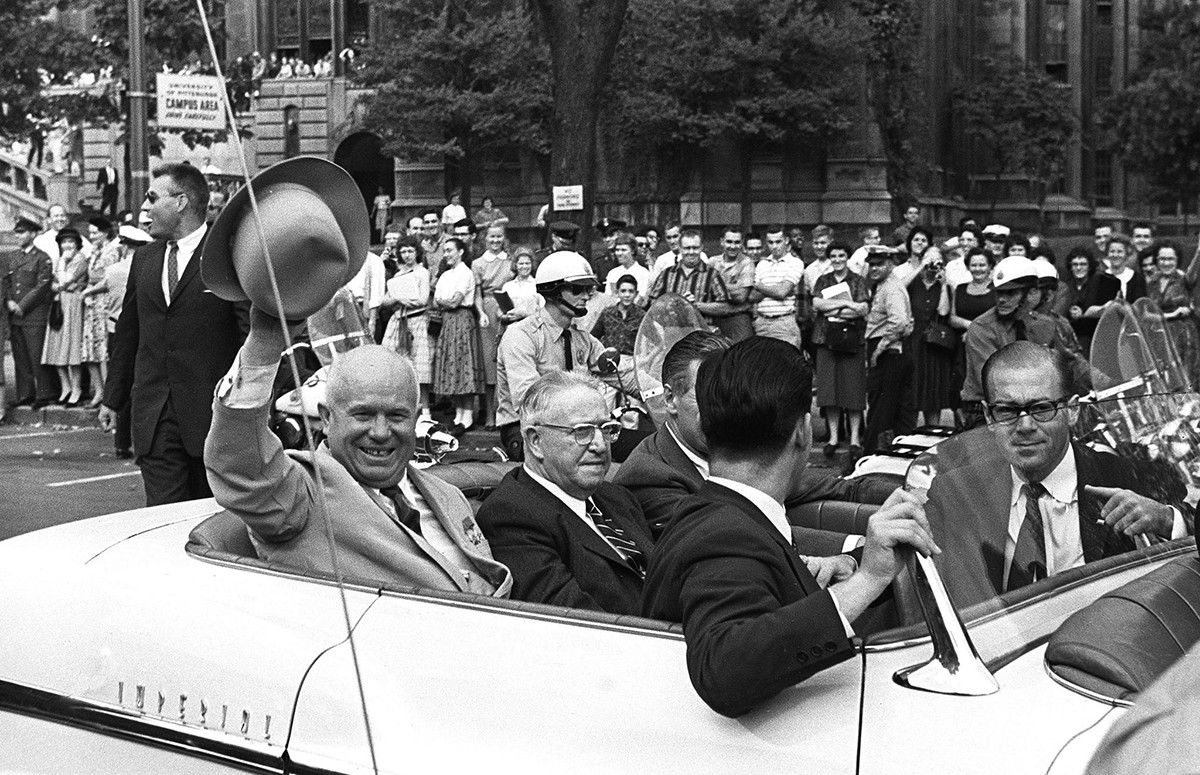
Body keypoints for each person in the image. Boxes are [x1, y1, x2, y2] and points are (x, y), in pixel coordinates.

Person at [641, 336, 940, 718]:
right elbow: (723, 670)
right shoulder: (725, 534)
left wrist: (854, 565)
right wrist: (865, 582)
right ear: (802, 431)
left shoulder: (725, 512)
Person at [206, 310, 512, 596]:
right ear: (326, 418)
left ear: (416, 417)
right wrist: (264, 343)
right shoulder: (303, 495)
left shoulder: (447, 495)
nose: (380, 432)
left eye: (396, 416)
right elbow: (240, 465)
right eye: (363, 415)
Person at [925, 342, 1189, 610]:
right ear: (988, 417)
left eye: (1041, 408)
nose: (1025, 426)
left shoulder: (1125, 476)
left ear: (1072, 410)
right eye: (1007, 411)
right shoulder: (956, 490)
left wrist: (1166, 519)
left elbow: (1191, 518)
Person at [614, 331, 893, 541]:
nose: (722, 407)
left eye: (726, 394)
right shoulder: (649, 476)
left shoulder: (735, 446)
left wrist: (909, 493)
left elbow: (834, 486)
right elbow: (733, 543)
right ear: (670, 399)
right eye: (706, 395)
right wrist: (855, 551)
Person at [99, 163, 248, 506]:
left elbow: (248, 336)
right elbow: (128, 334)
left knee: (211, 523)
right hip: (155, 418)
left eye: (153, 198)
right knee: (161, 523)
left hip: (214, 421)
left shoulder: (226, 254)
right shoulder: (146, 259)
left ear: (181, 202)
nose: (145, 208)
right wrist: (113, 398)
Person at [476, 372, 652, 614]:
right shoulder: (511, 516)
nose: (600, 445)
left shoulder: (618, 498)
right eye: (582, 431)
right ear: (535, 440)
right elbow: (574, 621)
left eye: (606, 429)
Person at [495, 250, 631, 462]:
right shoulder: (521, 336)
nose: (586, 296)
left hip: (576, 426)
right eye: (578, 290)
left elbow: (620, 373)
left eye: (588, 289)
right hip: (529, 430)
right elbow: (529, 399)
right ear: (553, 291)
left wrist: (666, 389)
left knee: (642, 446)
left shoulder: (581, 338)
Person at [960, 256, 1088, 426]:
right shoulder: (982, 328)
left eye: (1011, 293)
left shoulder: (1045, 324)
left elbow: (1071, 362)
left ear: (1030, 293)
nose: (1002, 299)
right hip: (988, 412)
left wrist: (1108, 382)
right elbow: (993, 380)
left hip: (1032, 407)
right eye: (999, 292)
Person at [811, 241, 869, 458]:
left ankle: (854, 438)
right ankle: (834, 437)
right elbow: (818, 305)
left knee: (853, 389)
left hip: (852, 340)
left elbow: (862, 309)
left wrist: (838, 308)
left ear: (847, 257)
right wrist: (847, 305)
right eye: (833, 256)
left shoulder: (858, 280)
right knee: (830, 391)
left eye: (841, 256)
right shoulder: (822, 280)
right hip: (826, 340)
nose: (837, 260)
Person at [862, 248, 915, 453]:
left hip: (888, 353)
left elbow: (899, 322)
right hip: (894, 352)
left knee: (880, 413)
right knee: (899, 412)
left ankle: (869, 460)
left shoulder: (891, 287)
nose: (874, 269)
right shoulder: (885, 285)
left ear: (890, 264)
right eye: (872, 264)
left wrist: (880, 348)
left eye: (880, 264)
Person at [431, 237, 484, 432]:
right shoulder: (445, 275)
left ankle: (468, 415)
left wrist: (445, 301)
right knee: (452, 363)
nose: (446, 255)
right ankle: (459, 413)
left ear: (460, 252)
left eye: (450, 250)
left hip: (462, 320)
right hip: (448, 322)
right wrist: (445, 301)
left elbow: (454, 302)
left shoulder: (465, 273)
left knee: (463, 363)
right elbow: (436, 301)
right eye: (444, 251)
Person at [3, 218, 54, 409]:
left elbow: (42, 286)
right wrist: (8, 300)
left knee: (36, 353)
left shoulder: (42, 258)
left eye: (22, 232)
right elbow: (7, 281)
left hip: (33, 314)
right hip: (15, 315)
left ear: (33, 234)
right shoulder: (13, 257)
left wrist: (22, 305)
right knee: (20, 356)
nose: (18, 236)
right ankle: (25, 394)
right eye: (17, 233)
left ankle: (44, 393)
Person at [380, 235, 433, 417]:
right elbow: (385, 300)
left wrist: (404, 299)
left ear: (417, 252)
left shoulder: (422, 273)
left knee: (420, 367)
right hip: (398, 321)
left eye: (410, 251)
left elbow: (423, 299)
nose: (407, 255)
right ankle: (400, 408)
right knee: (395, 365)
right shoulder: (398, 275)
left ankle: (425, 411)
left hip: (416, 321)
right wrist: (397, 298)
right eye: (403, 251)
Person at [41, 227, 88, 405]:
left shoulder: (79, 260)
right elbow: (54, 284)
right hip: (59, 304)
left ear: (77, 244)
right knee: (56, 346)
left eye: (71, 242)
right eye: (64, 242)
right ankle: (65, 387)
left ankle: (77, 388)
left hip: (73, 305)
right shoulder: (63, 260)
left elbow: (63, 281)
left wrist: (61, 268)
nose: (67, 245)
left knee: (71, 348)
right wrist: (60, 281)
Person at [907, 246, 953, 425]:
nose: (932, 264)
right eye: (929, 259)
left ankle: (932, 431)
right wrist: (920, 266)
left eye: (937, 261)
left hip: (934, 343)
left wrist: (943, 286)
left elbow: (943, 312)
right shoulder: (913, 282)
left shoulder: (945, 286)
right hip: (913, 339)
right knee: (912, 386)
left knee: (932, 390)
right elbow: (899, 287)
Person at [473, 225, 514, 427]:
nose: (495, 240)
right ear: (485, 238)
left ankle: (507, 413)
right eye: (492, 237)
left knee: (510, 359)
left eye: (499, 236)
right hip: (488, 310)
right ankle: (489, 413)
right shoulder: (478, 263)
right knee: (490, 363)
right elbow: (477, 294)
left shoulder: (510, 260)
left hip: (509, 307)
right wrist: (481, 313)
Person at [647, 230, 733, 326]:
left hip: (703, 333)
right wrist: (674, 304)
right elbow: (653, 304)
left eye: (695, 248)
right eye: (687, 248)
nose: (691, 252)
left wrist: (696, 305)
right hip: (672, 332)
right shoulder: (667, 273)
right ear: (680, 248)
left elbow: (725, 308)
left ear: (701, 248)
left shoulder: (712, 274)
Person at [80, 217, 121, 407]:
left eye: (95, 232)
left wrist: (90, 288)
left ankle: (108, 394)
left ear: (105, 232)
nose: (92, 236)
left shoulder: (112, 251)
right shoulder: (93, 251)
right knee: (91, 349)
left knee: (104, 349)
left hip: (104, 303)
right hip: (92, 304)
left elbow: (106, 278)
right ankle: (98, 391)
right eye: (90, 232)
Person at [1147, 241, 1200, 387]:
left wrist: (1198, 252)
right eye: (1162, 259)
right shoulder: (1152, 281)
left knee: (1186, 381)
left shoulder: (1184, 279)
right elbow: (1145, 314)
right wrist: (1171, 314)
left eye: (1170, 259)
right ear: (1157, 260)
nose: (1166, 263)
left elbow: (1193, 272)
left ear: (1177, 261)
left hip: (1183, 338)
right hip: (1159, 337)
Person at [751, 226, 805, 348]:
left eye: (778, 241)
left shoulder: (795, 263)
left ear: (786, 240)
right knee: (763, 365)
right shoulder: (761, 264)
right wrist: (775, 289)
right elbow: (753, 296)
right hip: (762, 323)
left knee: (786, 364)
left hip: (784, 322)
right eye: (770, 242)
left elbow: (782, 292)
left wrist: (759, 286)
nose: (774, 246)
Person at [1062, 246, 1118, 355]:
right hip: (1071, 334)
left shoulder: (1100, 284)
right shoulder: (1066, 285)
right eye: (1075, 264)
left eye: (1083, 264)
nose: (1079, 268)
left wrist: (1084, 313)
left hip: (1094, 334)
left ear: (1089, 266)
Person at [707, 227, 755, 341]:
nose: (732, 246)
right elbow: (706, 290)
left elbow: (741, 296)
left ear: (742, 243)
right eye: (729, 242)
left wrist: (716, 286)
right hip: (714, 316)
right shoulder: (712, 262)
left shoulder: (746, 262)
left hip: (738, 318)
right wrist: (735, 286)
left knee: (741, 354)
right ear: (722, 242)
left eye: (737, 242)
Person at [591, 274, 644, 356]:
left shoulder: (642, 316)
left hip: (632, 361)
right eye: (623, 291)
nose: (627, 295)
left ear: (636, 294)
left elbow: (653, 342)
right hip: (609, 360)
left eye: (631, 291)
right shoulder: (607, 313)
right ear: (617, 293)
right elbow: (593, 337)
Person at [498, 247, 541, 324]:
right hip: (512, 327)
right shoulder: (508, 286)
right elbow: (500, 311)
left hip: (532, 327)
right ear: (515, 265)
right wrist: (504, 316)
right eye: (521, 263)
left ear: (532, 264)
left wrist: (523, 314)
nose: (524, 267)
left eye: (527, 263)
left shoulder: (538, 285)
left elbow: (543, 311)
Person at [603, 233, 649, 300]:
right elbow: (608, 297)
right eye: (617, 250)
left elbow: (641, 298)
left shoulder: (643, 273)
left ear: (633, 251)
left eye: (623, 250)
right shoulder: (613, 273)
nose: (619, 253)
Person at [1105, 233, 1145, 302]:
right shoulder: (1098, 277)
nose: (1115, 255)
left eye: (1120, 251)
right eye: (1112, 251)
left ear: (1126, 254)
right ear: (1107, 254)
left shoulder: (1137, 278)